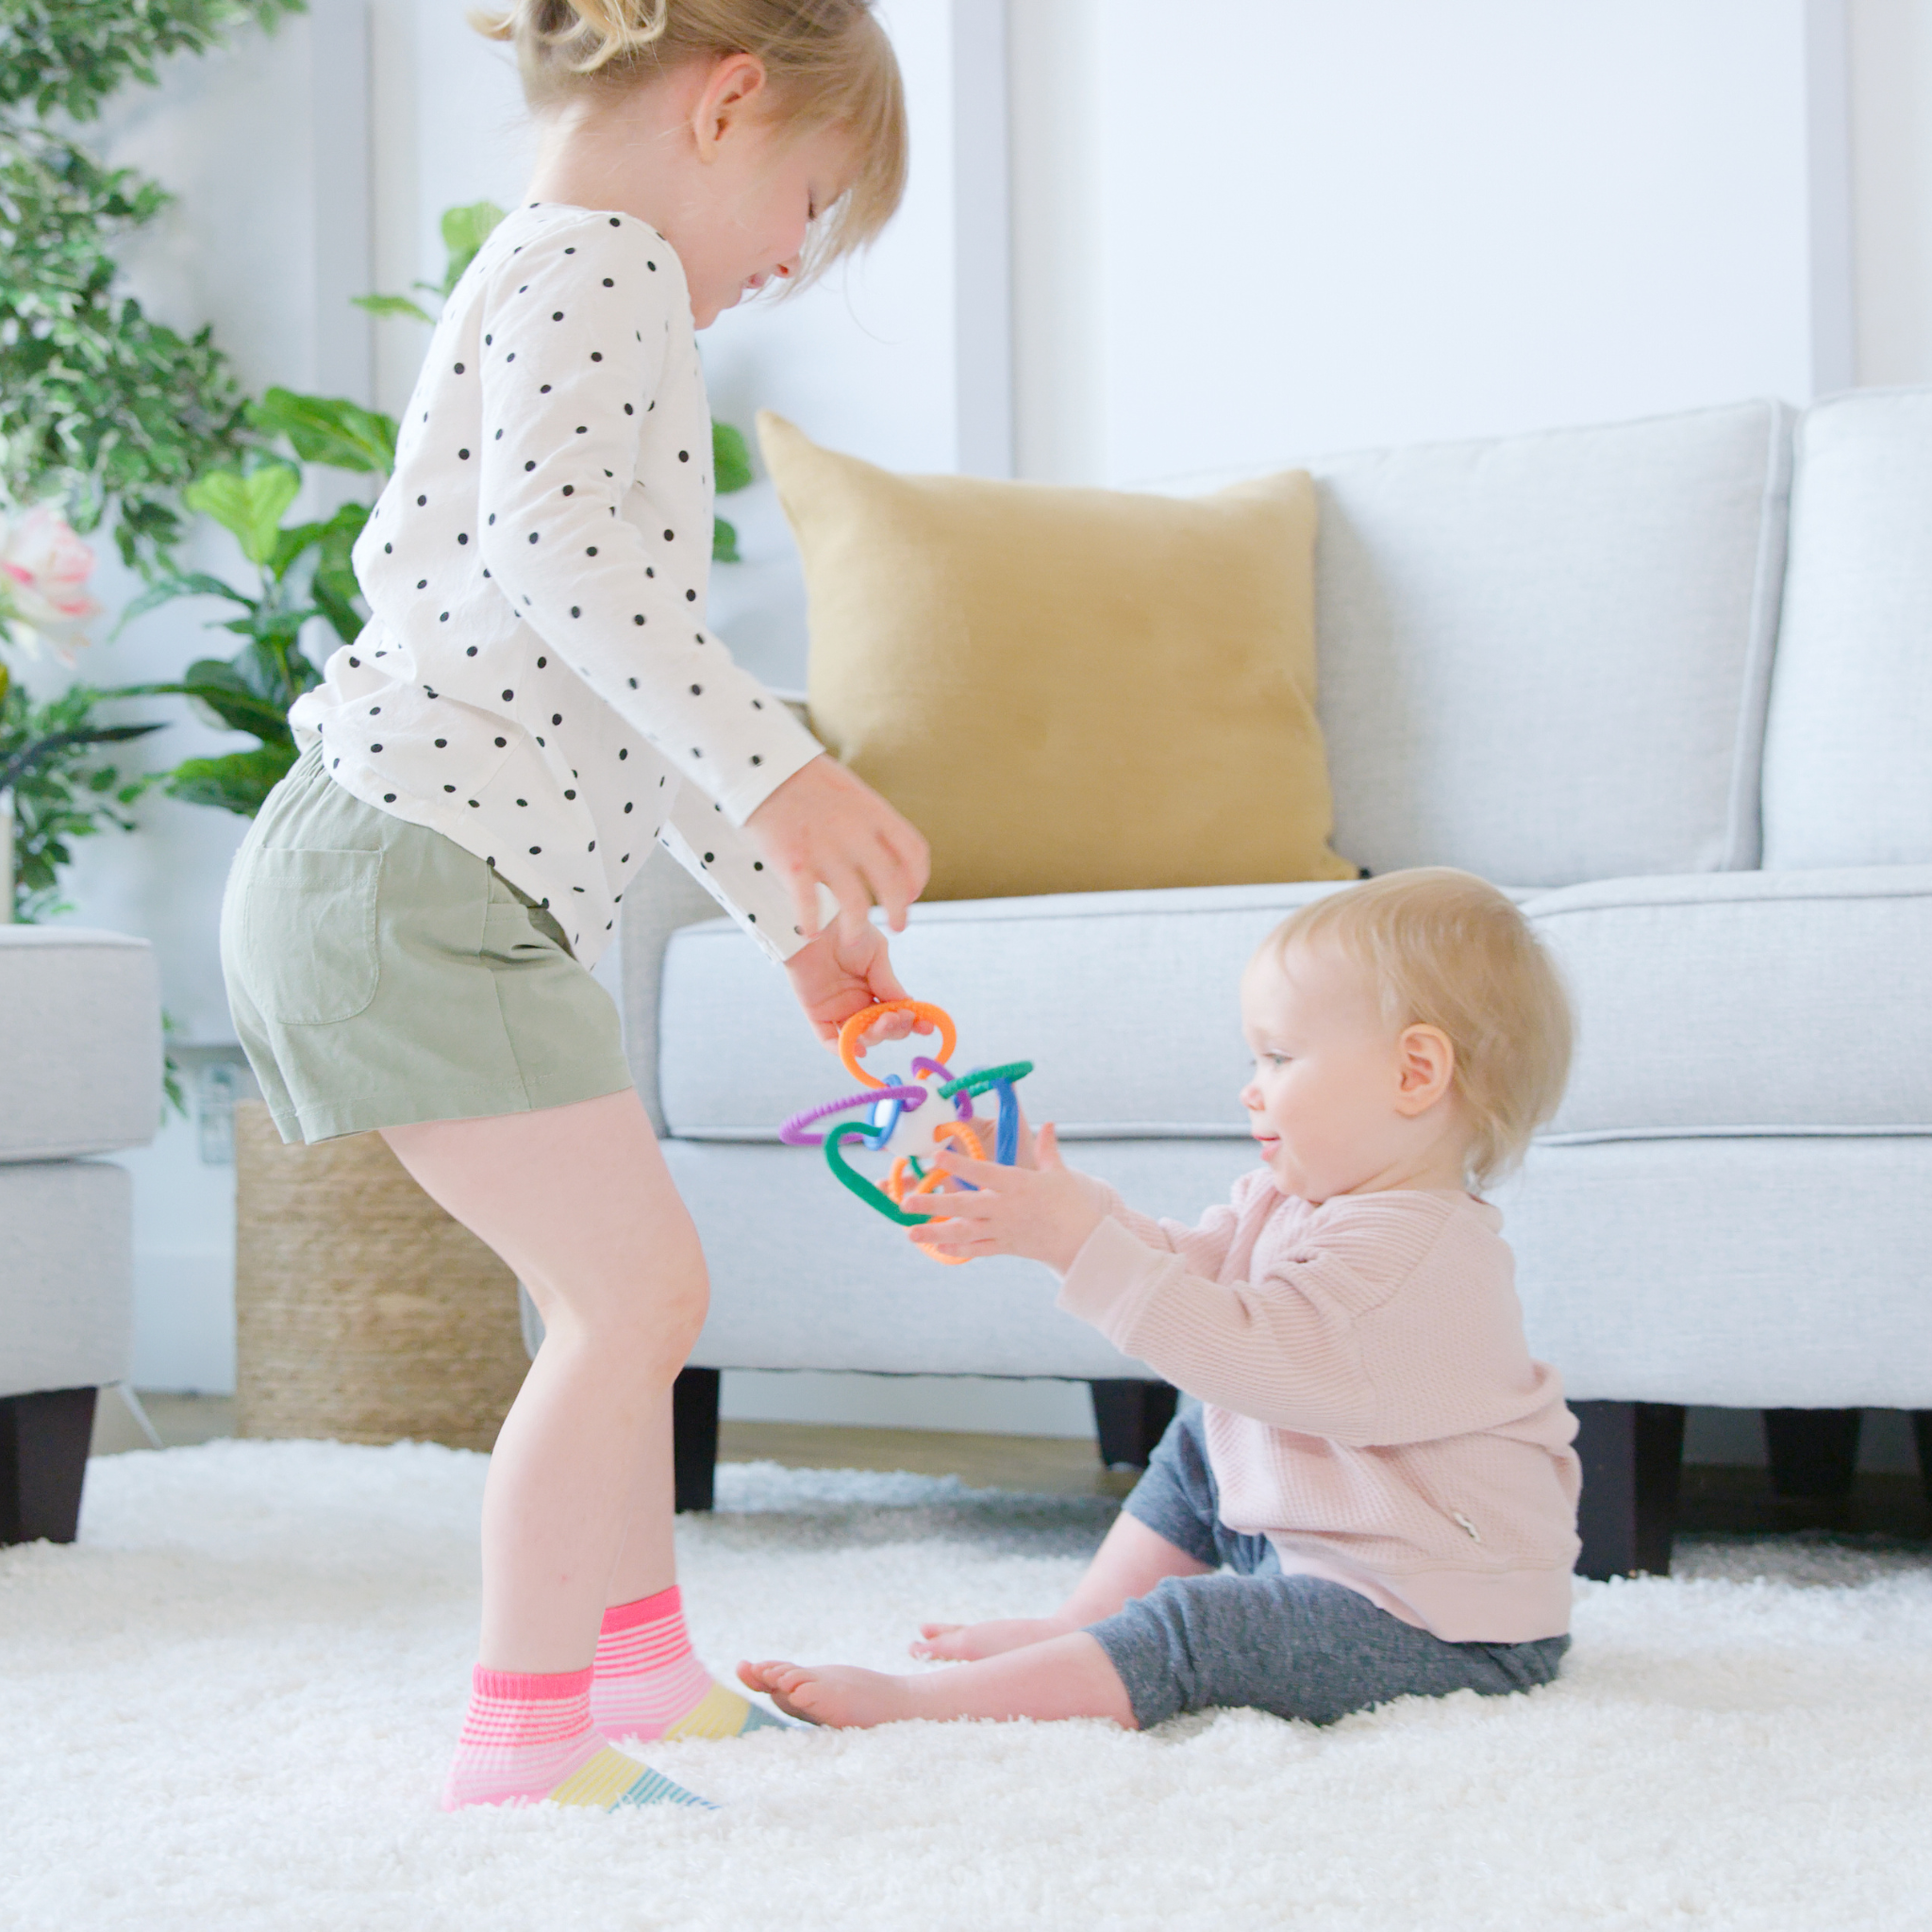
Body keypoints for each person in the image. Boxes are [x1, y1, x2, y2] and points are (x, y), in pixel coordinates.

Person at [220, 0, 927, 1811]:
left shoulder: (584, 274)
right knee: (634, 1298)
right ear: (729, 102)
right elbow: (569, 571)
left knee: (617, 1302)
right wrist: (786, 766)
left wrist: (790, 917)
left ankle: (643, 1678)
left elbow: (620, 665)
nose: (785, 261)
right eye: (806, 201)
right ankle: (525, 1733)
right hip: (402, 871)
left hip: (443, 879)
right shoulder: (594, 267)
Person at [740, 870, 1583, 1734]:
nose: (1251, 1087)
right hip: (1328, 1543)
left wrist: (1075, 1242)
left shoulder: (1418, 1252)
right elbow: (1195, 1266)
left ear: (1414, 1073)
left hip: (1441, 1623)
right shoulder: (1292, 1203)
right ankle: (1080, 1625)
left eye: (1280, 1058)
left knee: (1201, 1626)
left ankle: (926, 1706)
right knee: (1204, 1442)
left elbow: (1242, 1351)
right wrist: (1066, 1211)